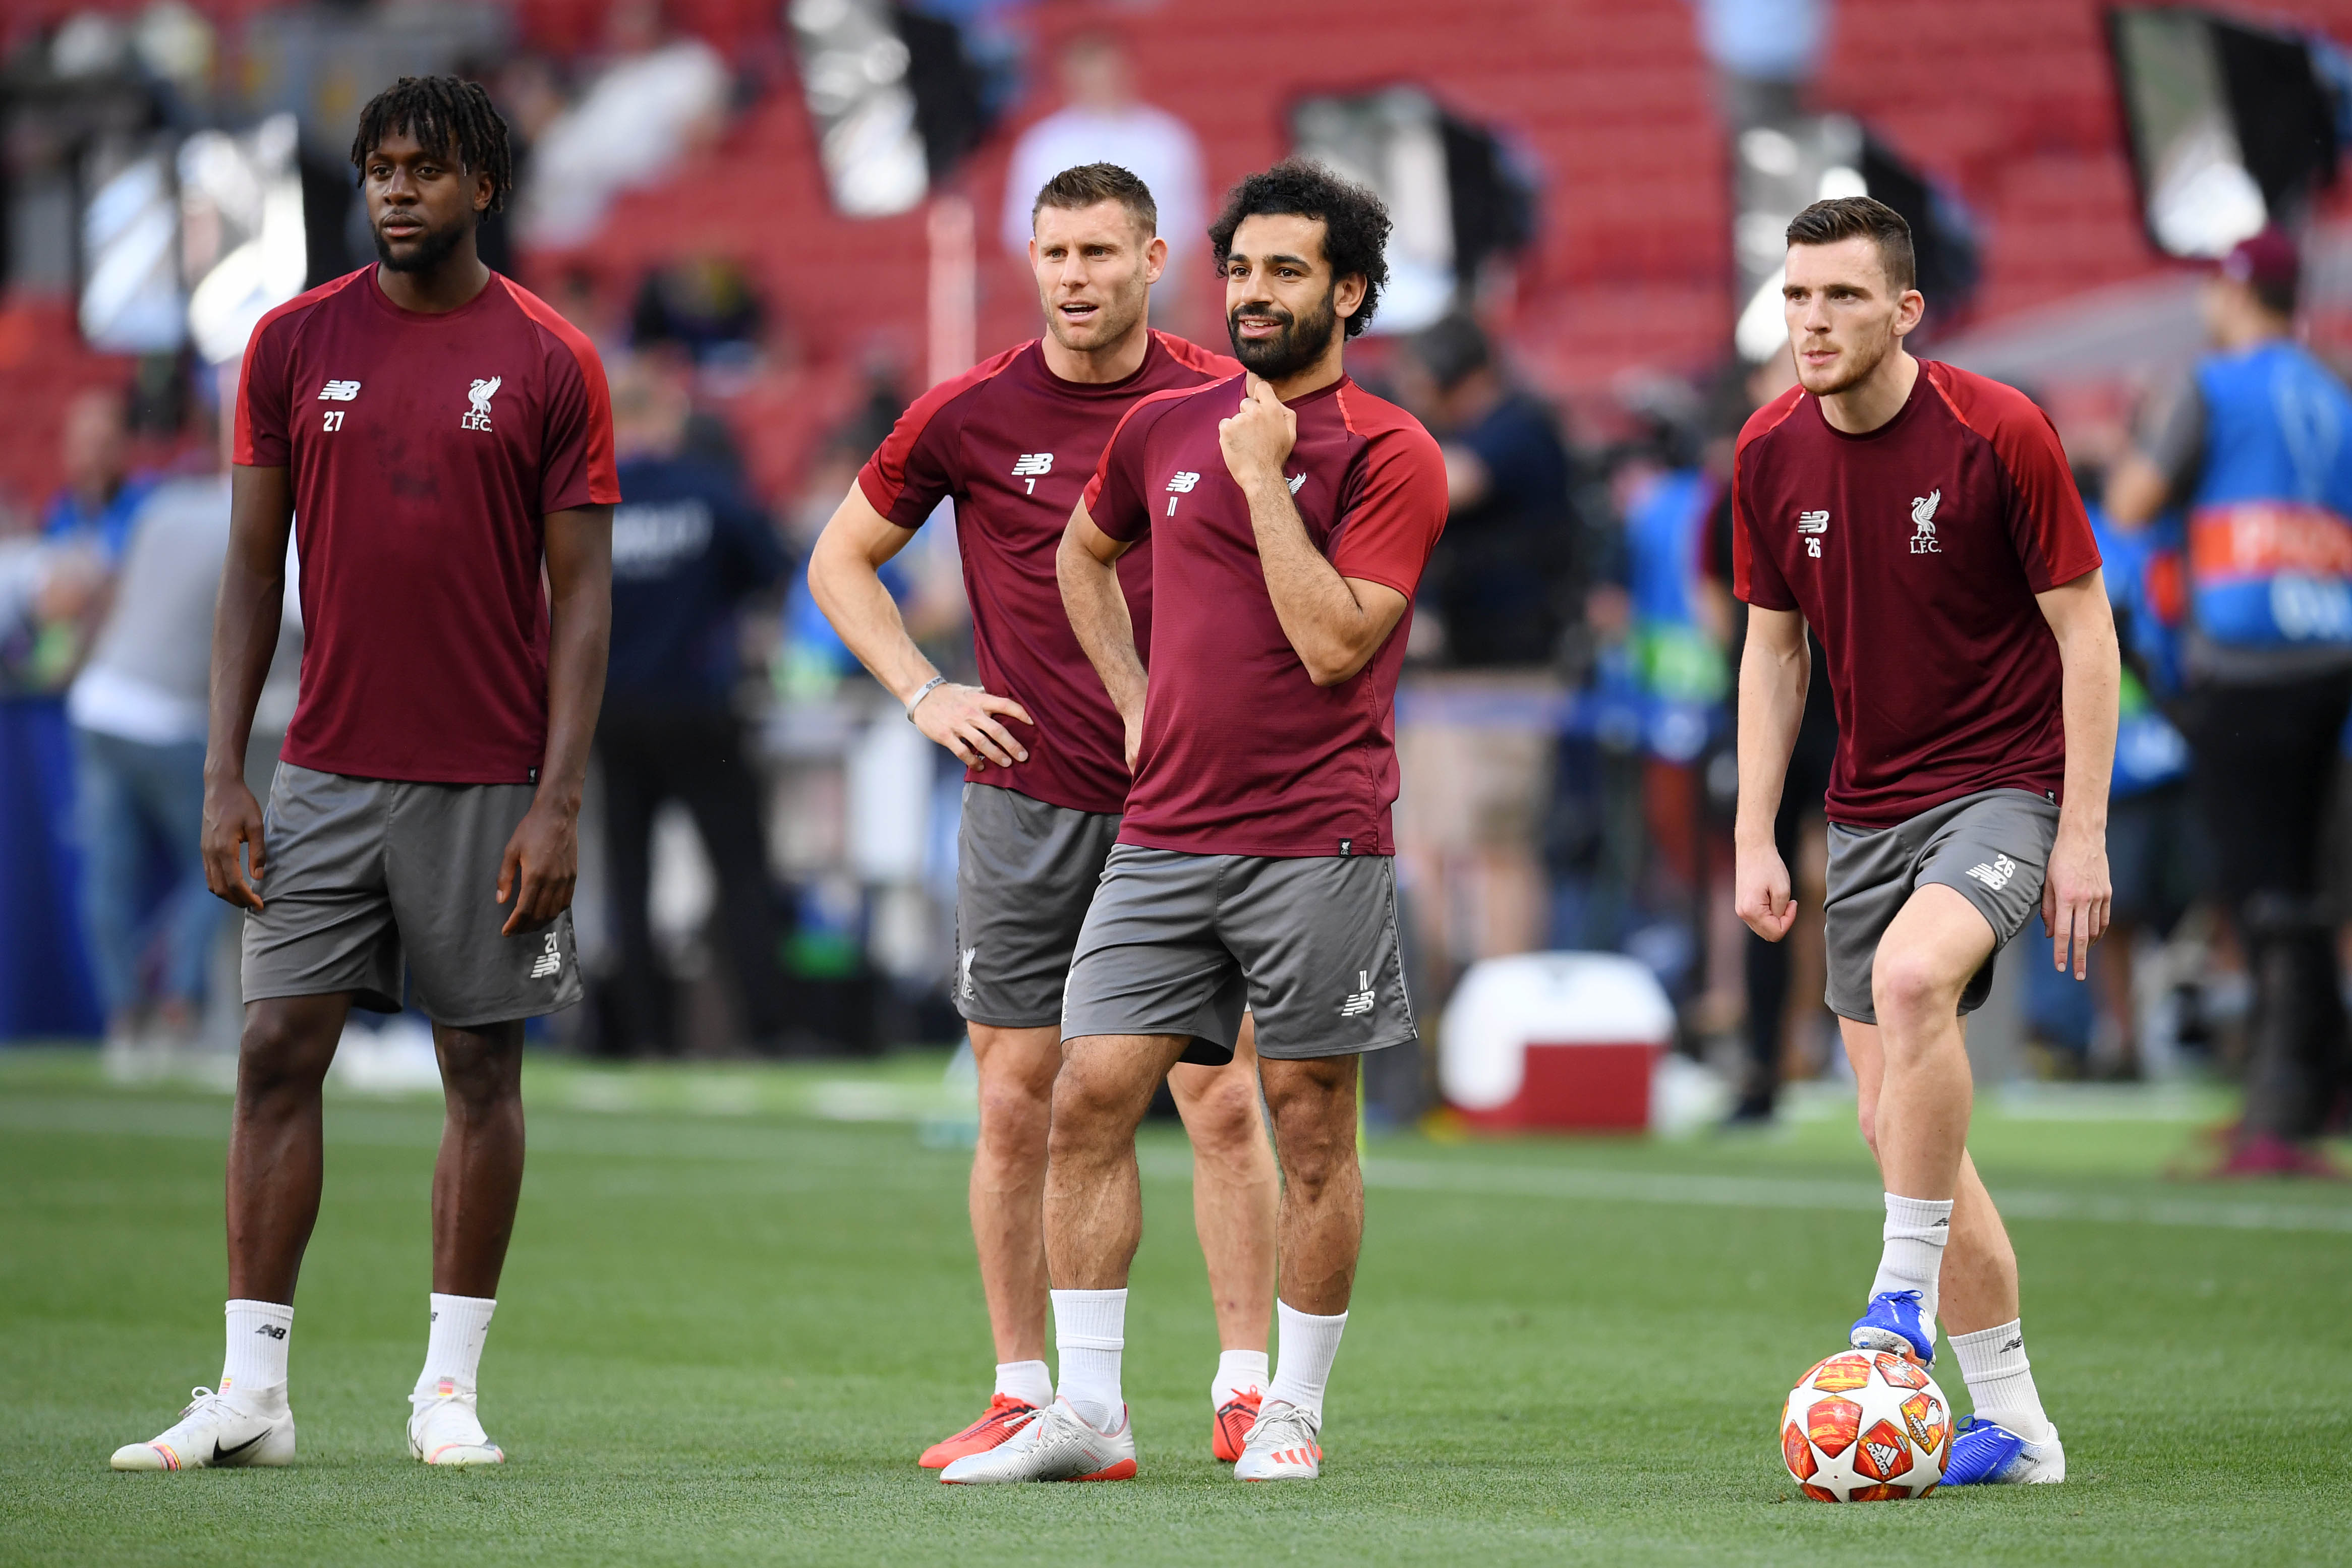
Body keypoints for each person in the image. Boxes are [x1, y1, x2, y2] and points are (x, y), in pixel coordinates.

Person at [110, 76, 616, 1472]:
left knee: (478, 1064)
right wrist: (226, 768)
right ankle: (250, 1393)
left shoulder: (550, 358)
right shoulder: (288, 342)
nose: (399, 188)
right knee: (275, 1050)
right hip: (324, 766)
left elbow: (583, 599)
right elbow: (245, 572)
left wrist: (557, 798)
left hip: (487, 774)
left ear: (483, 190)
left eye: (428, 168)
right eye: (381, 166)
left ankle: (446, 1390)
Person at [946, 159, 1445, 1485]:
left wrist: (1266, 479)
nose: (1253, 295)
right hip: (1160, 832)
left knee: (1304, 1119)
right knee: (1084, 1099)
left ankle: (1286, 1404)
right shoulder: (1161, 426)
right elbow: (1076, 555)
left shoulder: (1390, 451)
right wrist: (1130, 699)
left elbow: (1339, 643)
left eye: (1285, 272)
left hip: (1316, 839)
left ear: (1346, 290)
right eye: (1238, 270)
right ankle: (1091, 1413)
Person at [805, 163, 1279, 1472]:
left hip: (1186, 810)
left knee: (1219, 1096)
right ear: (1030, 257)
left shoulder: (1221, 399)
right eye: (1053, 251)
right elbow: (837, 559)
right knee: (1014, 1098)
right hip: (1021, 803)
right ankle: (1025, 1390)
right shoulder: (965, 413)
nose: (1073, 275)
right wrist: (921, 690)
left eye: (1097, 253)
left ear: (1150, 258)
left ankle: (1246, 1386)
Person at [1731, 196, 2116, 1487]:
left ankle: (1897, 1303)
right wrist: (1754, 831)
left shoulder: (1999, 429)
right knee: (1898, 1125)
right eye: (1796, 296)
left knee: (1910, 983)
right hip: (1865, 806)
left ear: (1904, 310)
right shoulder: (1767, 449)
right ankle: (2016, 1426)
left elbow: (2087, 630)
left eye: (1840, 297)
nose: (1812, 321)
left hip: (2005, 789)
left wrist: (2082, 831)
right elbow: (1773, 653)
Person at [2104, 227, 2352, 1173]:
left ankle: (2277, 1112)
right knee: (2310, 886)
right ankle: (2312, 1088)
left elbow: (2130, 501)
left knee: (2261, 892)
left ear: (2235, 291)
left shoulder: (2209, 387)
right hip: (2331, 656)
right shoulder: (2333, 388)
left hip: (2242, 668)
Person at [596, 359, 790, 1056]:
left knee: (628, 875)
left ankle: (642, 1033)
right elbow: (773, 567)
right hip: (699, 708)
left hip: (612, 712)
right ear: (668, 419)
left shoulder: (592, 503)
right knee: (738, 865)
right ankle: (763, 1025)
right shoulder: (708, 494)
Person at [999, 34, 1204, 326]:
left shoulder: (1165, 139)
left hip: (1152, 303)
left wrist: (1187, 306)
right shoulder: (1044, 145)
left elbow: (1186, 228)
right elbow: (1021, 232)